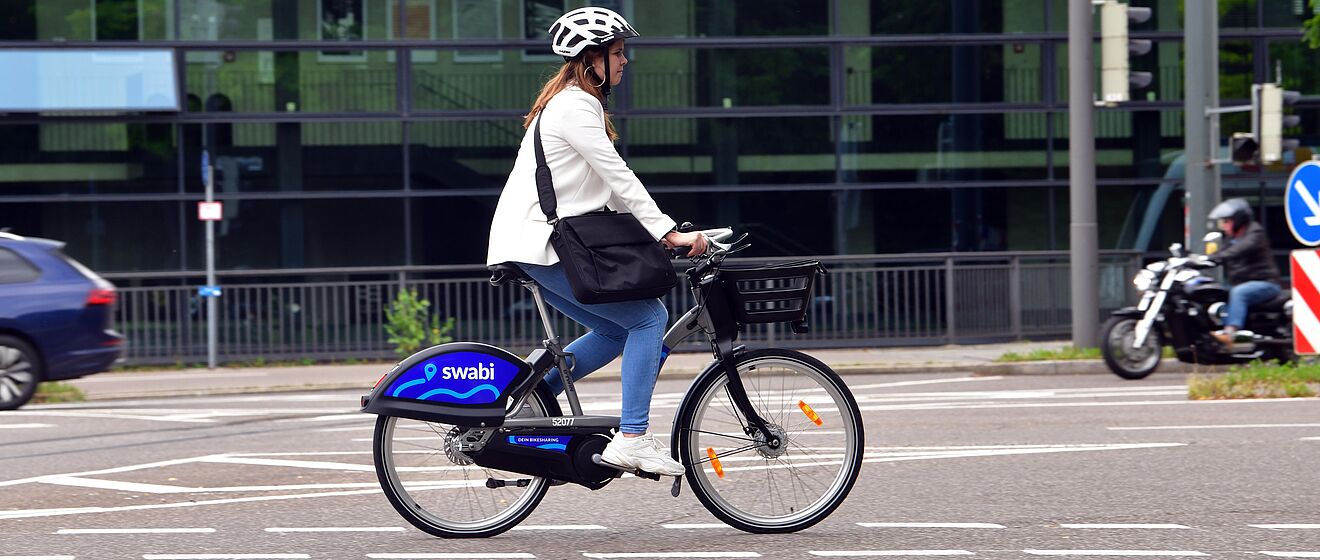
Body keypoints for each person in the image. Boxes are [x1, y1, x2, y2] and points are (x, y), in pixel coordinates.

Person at [486, 7, 706, 477]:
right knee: (650, 319)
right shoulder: (574, 106)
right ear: (591, 61)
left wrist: (663, 234)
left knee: (615, 329)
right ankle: (632, 437)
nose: (625, 61)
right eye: (617, 53)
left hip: (532, 240)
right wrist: (666, 231)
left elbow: (607, 195)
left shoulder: (573, 103)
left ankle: (525, 400)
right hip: (538, 243)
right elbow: (618, 177)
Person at [1205, 198, 1282, 346]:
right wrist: (1203, 259)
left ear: (1238, 220)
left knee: (1239, 292)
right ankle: (1213, 333)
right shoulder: (1230, 239)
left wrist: (1219, 257)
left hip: (1266, 283)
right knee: (1214, 292)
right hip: (1241, 284)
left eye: (1226, 221)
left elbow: (1240, 249)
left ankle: (1230, 333)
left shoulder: (1255, 232)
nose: (1224, 226)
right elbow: (1222, 252)